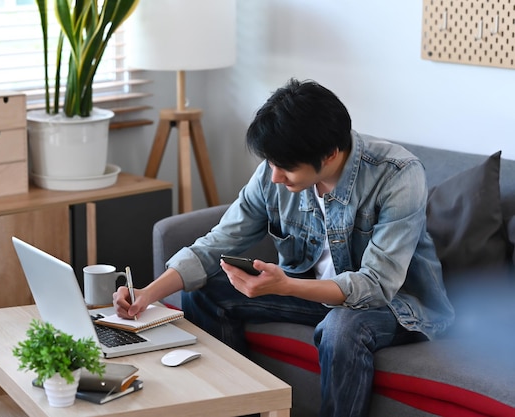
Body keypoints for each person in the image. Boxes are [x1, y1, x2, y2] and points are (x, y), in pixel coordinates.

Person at [114, 78, 455, 417]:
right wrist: (148, 293)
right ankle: (240, 409)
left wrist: (286, 285)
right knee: (204, 292)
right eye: (272, 164)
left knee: (341, 329)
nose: (274, 176)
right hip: (310, 293)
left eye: (286, 168)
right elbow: (217, 242)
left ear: (330, 154)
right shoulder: (274, 171)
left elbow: (376, 285)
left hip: (394, 306)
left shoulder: (398, 176)